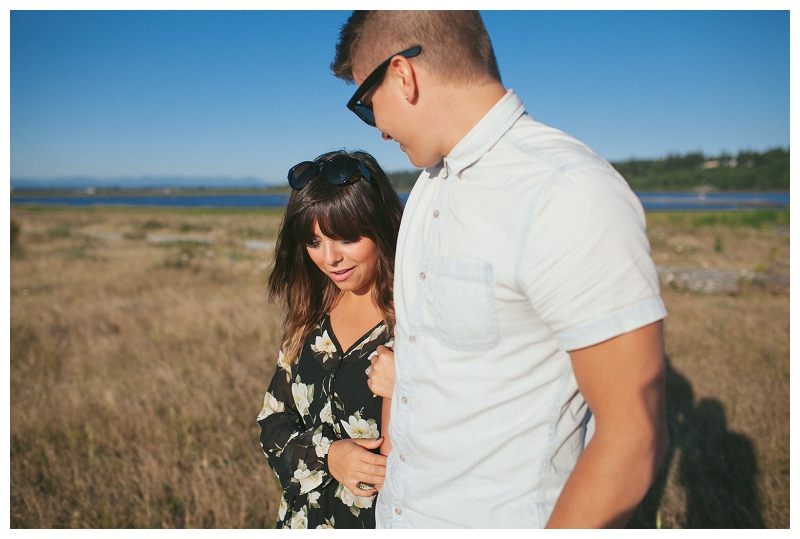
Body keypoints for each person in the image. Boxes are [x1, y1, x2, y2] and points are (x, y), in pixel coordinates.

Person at [331, 11, 670, 529]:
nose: (376, 128)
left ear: (403, 75)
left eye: (365, 104)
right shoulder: (428, 188)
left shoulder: (565, 191)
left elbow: (635, 436)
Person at [257, 150, 404, 529]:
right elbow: (273, 422)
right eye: (313, 241)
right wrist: (327, 456)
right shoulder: (309, 313)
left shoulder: (413, 321)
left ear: (381, 227)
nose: (330, 258)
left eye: (347, 238)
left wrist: (410, 384)